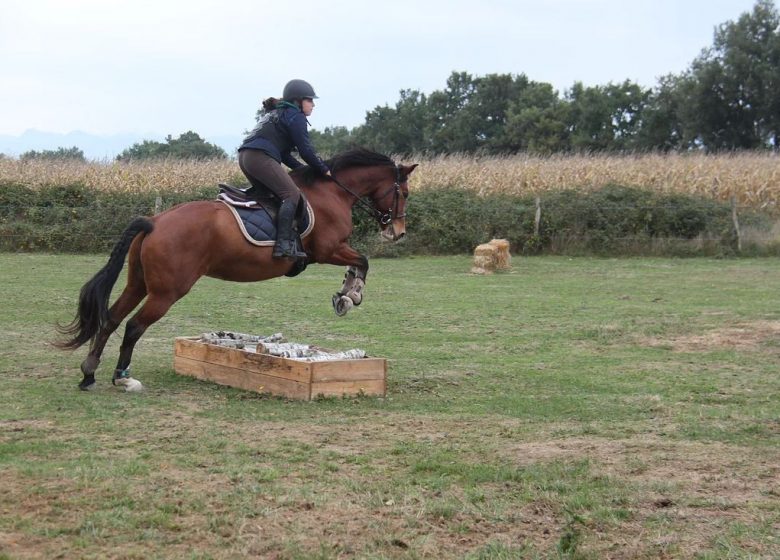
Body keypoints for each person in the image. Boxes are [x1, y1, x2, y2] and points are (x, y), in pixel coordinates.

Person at [238, 79, 331, 259]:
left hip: (246, 157)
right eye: (310, 100)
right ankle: (283, 246)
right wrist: (323, 169)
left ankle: (263, 241)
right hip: (260, 157)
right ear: (298, 101)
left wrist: (303, 170)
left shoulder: (279, 113)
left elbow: (285, 155)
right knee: (291, 195)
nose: (313, 105)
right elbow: (306, 150)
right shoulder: (296, 116)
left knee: (271, 197)